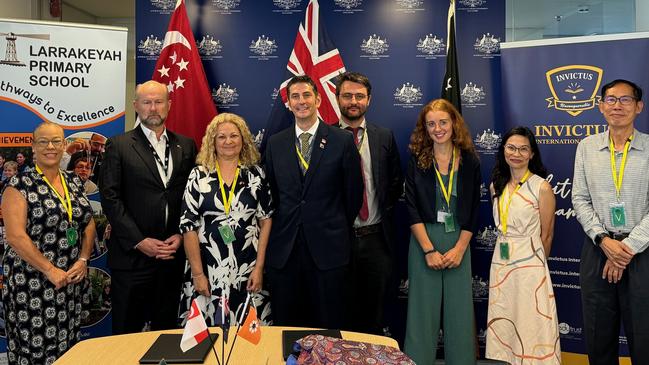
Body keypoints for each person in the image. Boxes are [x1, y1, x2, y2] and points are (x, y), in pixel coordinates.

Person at [264, 74, 363, 329]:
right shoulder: (275, 144)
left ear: (318, 99)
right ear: (288, 103)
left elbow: (352, 195)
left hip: (329, 252)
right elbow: (272, 196)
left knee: (328, 328)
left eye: (306, 95)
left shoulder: (341, 140)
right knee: (288, 329)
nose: (301, 101)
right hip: (285, 253)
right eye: (294, 96)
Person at [99, 80, 197, 334]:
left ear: (169, 105)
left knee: (167, 334)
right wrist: (140, 241)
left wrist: (180, 234)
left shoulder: (186, 145)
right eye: (147, 102)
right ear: (136, 106)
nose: (153, 108)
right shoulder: (118, 145)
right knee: (126, 335)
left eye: (159, 101)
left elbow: (190, 196)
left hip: (172, 256)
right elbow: (110, 198)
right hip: (133, 258)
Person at [1, 122, 95, 365]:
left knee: (68, 350)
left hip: (70, 282)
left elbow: (88, 222)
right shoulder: (18, 185)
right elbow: (15, 236)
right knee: (34, 353)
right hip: (31, 284)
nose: (50, 147)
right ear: (33, 146)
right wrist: (50, 270)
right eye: (43, 141)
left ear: (64, 146)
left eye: (56, 141)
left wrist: (83, 259)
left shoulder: (73, 181)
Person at [572, 79, 649, 364]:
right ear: (601, 106)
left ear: (639, 107)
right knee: (598, 337)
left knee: (644, 337)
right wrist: (604, 241)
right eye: (611, 99)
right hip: (597, 250)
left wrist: (625, 249)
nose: (618, 105)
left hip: (641, 253)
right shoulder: (587, 147)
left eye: (626, 99)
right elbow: (579, 199)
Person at [404, 99, 480, 365]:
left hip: (459, 241)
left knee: (459, 315)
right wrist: (428, 250)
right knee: (421, 315)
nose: (438, 128)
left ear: (454, 123)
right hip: (425, 242)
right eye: (431, 123)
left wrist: (460, 249)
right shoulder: (417, 161)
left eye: (443, 122)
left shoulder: (469, 161)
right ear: (425, 128)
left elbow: (472, 210)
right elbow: (411, 208)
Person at [178, 113, 273, 326]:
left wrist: (259, 267)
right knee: (207, 335)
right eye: (221, 137)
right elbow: (188, 227)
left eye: (234, 136)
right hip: (208, 267)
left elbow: (265, 220)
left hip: (248, 266)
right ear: (212, 141)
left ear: (243, 140)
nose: (228, 141)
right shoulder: (198, 175)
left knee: (250, 336)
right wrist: (198, 274)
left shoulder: (256, 174)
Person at [335, 71, 403, 334]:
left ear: (369, 100)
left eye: (359, 96)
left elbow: (394, 183)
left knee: (374, 314)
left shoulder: (383, 136)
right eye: (348, 95)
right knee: (341, 311)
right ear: (337, 98)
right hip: (340, 240)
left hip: (376, 239)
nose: (354, 101)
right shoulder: (326, 136)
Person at [485, 126, 560, 364]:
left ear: (532, 154)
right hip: (502, 259)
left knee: (532, 319)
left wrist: (537, 269)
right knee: (505, 316)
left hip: (531, 263)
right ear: (504, 150)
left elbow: (547, 235)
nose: (516, 153)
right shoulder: (495, 185)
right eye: (511, 147)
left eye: (523, 149)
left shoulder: (541, 187)